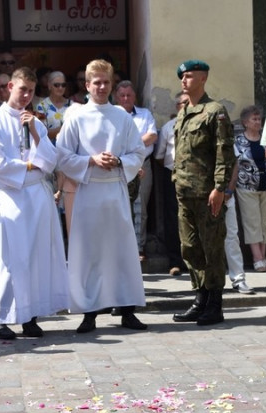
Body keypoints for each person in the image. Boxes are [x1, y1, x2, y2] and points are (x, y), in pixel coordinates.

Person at [0, 67, 69, 340]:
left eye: (31, 91)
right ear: (10, 88)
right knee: (9, 257)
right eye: (22, 90)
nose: (26, 96)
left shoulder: (36, 122)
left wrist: (35, 132)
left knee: (36, 256)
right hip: (13, 195)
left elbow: (51, 162)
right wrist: (30, 165)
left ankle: (30, 314)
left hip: (38, 195)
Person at [57, 59, 148, 333]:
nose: (101, 86)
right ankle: (89, 312)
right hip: (88, 191)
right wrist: (91, 160)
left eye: (105, 82)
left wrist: (119, 161)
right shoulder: (75, 117)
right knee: (89, 252)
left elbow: (137, 152)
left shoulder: (122, 116)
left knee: (122, 251)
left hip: (114, 192)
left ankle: (127, 309)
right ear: (87, 85)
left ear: (111, 84)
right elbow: (63, 155)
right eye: (95, 82)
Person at [171, 59, 235, 326]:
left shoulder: (214, 111)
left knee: (212, 249)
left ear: (203, 78)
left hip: (207, 193)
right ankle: (200, 299)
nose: (184, 81)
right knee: (190, 248)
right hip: (185, 192)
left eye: (188, 76)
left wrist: (220, 188)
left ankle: (215, 304)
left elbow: (224, 152)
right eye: (182, 77)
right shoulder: (184, 112)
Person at [114, 80, 157, 260]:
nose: (125, 98)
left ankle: (138, 248)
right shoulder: (112, 115)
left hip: (142, 165)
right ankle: (121, 247)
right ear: (116, 97)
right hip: (118, 166)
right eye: (122, 95)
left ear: (135, 96)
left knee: (140, 208)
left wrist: (130, 147)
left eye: (129, 95)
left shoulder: (144, 114)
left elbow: (152, 135)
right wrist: (136, 145)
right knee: (118, 207)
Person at [231, 105, 266, 273]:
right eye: (254, 119)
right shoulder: (239, 141)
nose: (258, 122)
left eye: (259, 119)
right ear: (245, 123)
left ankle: (263, 256)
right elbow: (235, 164)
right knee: (252, 223)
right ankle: (257, 258)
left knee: (265, 223)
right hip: (246, 187)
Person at [153, 93, 188, 277]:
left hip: (196, 176)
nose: (188, 105)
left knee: (194, 219)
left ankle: (194, 262)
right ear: (177, 107)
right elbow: (159, 156)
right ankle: (175, 261)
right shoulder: (168, 127)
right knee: (173, 218)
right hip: (172, 175)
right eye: (184, 103)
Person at [34, 70, 71, 141]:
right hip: (50, 150)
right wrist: (66, 127)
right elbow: (43, 133)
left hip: (69, 149)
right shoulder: (41, 106)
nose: (60, 88)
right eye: (56, 85)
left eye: (63, 85)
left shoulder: (72, 105)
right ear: (49, 86)